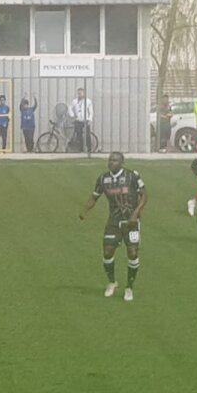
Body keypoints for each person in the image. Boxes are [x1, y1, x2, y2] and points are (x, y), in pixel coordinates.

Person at [79, 151, 147, 300]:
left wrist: (135, 214)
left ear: (122, 162)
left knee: (133, 253)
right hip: (114, 221)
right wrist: (85, 210)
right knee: (108, 252)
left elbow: (144, 195)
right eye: (110, 160)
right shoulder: (103, 179)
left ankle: (129, 287)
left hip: (132, 222)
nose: (111, 162)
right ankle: (112, 282)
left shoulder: (132, 176)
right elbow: (94, 196)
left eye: (115, 160)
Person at [68, 88, 94, 153]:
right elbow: (70, 108)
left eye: (81, 93)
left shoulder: (88, 101)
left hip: (85, 120)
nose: (80, 94)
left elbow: (91, 111)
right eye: (79, 93)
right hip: (78, 120)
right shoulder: (74, 101)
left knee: (87, 135)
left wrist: (90, 119)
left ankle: (89, 149)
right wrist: (72, 115)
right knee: (79, 135)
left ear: (84, 93)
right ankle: (80, 148)